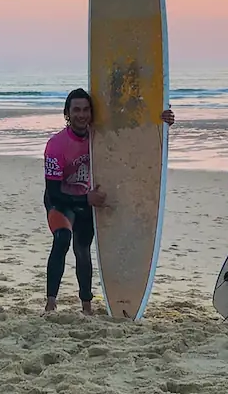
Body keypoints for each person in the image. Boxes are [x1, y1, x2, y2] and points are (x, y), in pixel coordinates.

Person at [42, 89, 174, 315]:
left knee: (82, 249)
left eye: (86, 110)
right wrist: (86, 197)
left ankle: (86, 305)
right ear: (67, 113)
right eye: (76, 110)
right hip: (61, 202)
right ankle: (51, 302)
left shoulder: (101, 138)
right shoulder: (56, 145)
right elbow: (53, 192)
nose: (82, 115)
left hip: (86, 201)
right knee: (62, 239)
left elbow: (134, 135)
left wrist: (160, 120)